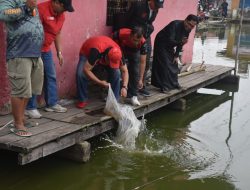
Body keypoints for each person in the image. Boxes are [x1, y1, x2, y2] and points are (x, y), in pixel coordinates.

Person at [0, 0, 44, 136]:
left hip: (35, 53)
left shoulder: (32, 4)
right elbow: (3, 14)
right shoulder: (10, 1)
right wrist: (25, 7)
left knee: (29, 90)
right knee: (19, 91)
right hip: (19, 53)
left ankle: (21, 118)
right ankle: (18, 124)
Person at [25, 0, 74, 118]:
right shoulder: (41, 10)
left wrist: (59, 52)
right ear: (56, 2)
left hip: (46, 49)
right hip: (34, 49)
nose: (65, 11)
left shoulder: (61, 15)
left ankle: (51, 103)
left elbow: (57, 33)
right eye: (64, 8)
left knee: (51, 75)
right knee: (35, 77)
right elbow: (33, 30)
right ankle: (30, 107)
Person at [122, 0, 164, 97]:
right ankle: (132, 90)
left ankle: (141, 86)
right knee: (135, 62)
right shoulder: (138, 5)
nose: (157, 8)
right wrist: (130, 36)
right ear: (151, 1)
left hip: (146, 36)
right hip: (135, 37)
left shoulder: (155, 10)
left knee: (146, 62)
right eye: (156, 5)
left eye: (159, 6)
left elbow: (149, 22)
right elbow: (127, 19)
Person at [75, 36, 129, 108]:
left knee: (117, 73)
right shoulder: (95, 52)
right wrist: (100, 82)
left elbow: (125, 71)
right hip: (87, 51)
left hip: (103, 50)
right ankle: (82, 99)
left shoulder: (119, 53)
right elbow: (86, 69)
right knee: (80, 73)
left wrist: (124, 87)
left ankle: (115, 101)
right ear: (106, 57)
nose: (110, 65)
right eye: (110, 62)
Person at [151, 14, 199, 93]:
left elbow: (181, 43)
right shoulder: (174, 24)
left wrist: (177, 55)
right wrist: (180, 42)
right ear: (186, 20)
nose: (190, 27)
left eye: (193, 26)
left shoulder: (188, 29)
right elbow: (171, 39)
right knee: (165, 63)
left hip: (171, 44)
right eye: (190, 25)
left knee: (174, 63)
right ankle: (164, 86)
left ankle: (174, 83)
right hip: (161, 43)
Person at [113, 27, 147, 106]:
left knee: (135, 70)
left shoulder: (143, 43)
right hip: (119, 48)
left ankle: (133, 95)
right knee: (116, 70)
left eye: (138, 41)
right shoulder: (120, 34)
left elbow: (142, 62)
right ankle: (114, 93)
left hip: (134, 51)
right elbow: (112, 44)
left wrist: (141, 79)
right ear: (130, 35)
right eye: (134, 40)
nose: (136, 42)